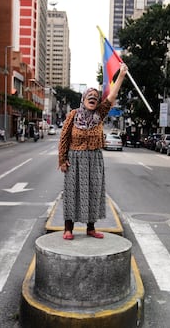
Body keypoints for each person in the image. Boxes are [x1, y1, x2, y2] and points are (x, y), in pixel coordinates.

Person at [58, 63, 128, 240]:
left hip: (95, 159)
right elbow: (64, 138)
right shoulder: (73, 115)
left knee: (94, 192)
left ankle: (91, 228)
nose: (92, 99)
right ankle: (68, 228)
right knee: (72, 193)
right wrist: (62, 160)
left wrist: (121, 75)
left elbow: (112, 96)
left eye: (95, 98)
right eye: (89, 97)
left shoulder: (100, 114)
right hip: (74, 158)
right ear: (83, 100)